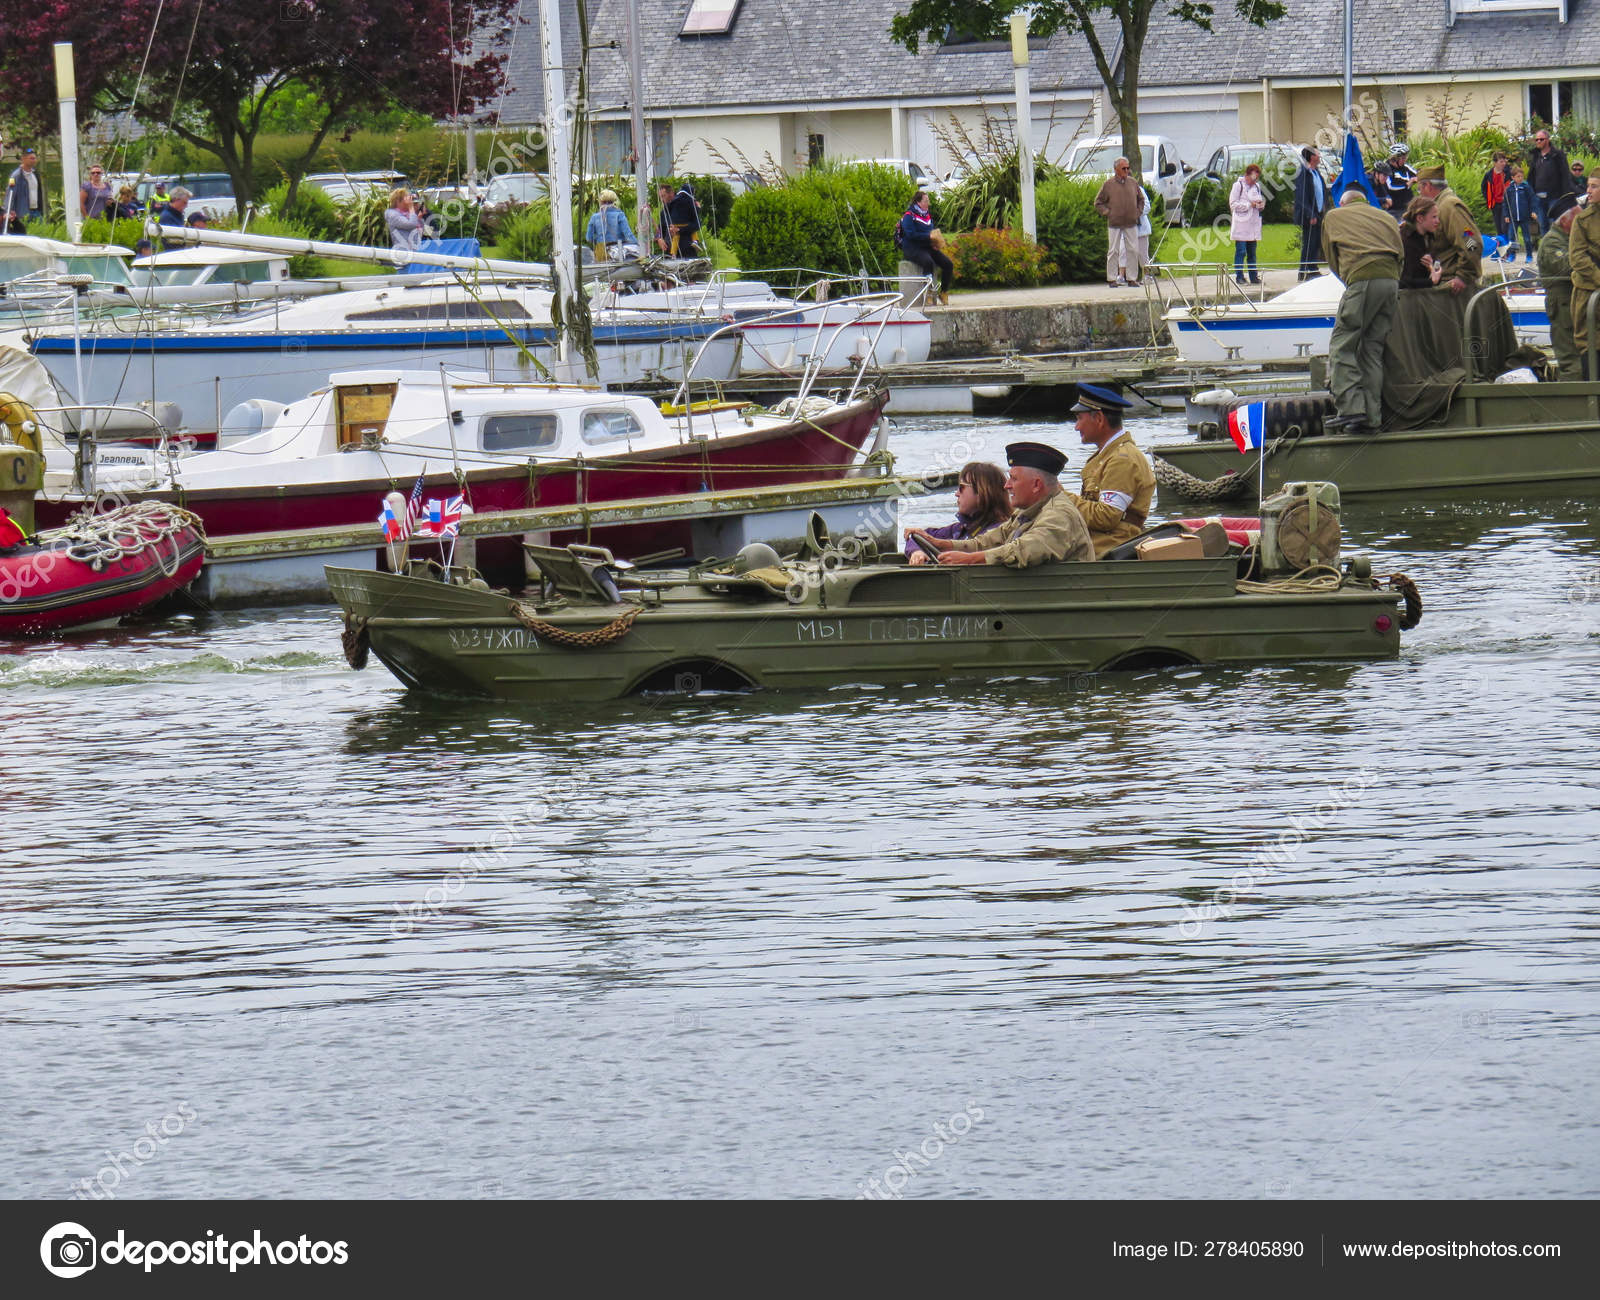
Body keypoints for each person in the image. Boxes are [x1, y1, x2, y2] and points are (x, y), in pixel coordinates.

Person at [909, 442, 1093, 567]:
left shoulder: (1058, 514)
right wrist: (941, 544)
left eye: (1014, 479)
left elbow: (1027, 549)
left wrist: (971, 560)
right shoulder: (1029, 511)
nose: (1007, 486)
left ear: (1036, 485)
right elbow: (989, 541)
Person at [1320, 185, 1404, 434]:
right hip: (1391, 282)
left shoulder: (1334, 216)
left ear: (1343, 203)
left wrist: (1352, 281)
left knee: (1342, 344)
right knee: (1372, 350)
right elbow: (1401, 255)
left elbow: (1332, 259)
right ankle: (1372, 418)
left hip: (1361, 278)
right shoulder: (1387, 217)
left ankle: (1351, 408)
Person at [1063, 382, 1155, 557]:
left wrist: (1061, 497)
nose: (1077, 427)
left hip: (1111, 547)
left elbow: (1106, 517)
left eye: (1079, 418)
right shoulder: (1108, 456)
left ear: (1099, 419)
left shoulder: (1122, 460)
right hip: (1101, 542)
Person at [902, 462, 1010, 564]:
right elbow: (921, 537)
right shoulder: (960, 530)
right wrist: (917, 552)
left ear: (982, 492)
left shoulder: (1001, 533)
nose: (957, 494)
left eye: (962, 488)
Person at [1417, 165, 1481, 294]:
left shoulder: (1450, 207)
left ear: (1427, 186)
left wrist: (1464, 276)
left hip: (1453, 286)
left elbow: (1471, 242)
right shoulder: (1438, 206)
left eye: (1419, 189)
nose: (1419, 194)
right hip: (1442, 282)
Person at [1537, 191, 1581, 380]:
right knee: (1570, 360)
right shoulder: (1552, 242)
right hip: (1562, 305)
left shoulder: (1569, 239)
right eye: (1578, 219)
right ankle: (1572, 395)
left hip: (1574, 303)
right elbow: (1568, 266)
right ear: (1565, 221)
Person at [1093, 157, 1145, 287]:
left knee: (1133, 250)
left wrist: (1137, 212)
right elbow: (1098, 202)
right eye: (1124, 168)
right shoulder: (1108, 184)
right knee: (1113, 251)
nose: (1126, 171)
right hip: (1114, 223)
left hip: (1131, 222)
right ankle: (1112, 278)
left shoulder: (1133, 182)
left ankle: (1132, 278)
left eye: (1128, 168)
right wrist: (1108, 213)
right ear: (1116, 169)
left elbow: (1141, 199)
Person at [1567, 169, 1600, 373]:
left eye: (1594, 186)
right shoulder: (1583, 220)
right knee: (1589, 347)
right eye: (1588, 186)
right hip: (1588, 293)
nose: (1588, 190)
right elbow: (1577, 257)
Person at [896, 190, 953, 304]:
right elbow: (911, 235)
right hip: (912, 248)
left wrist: (935, 243)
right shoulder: (909, 216)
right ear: (918, 202)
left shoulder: (927, 215)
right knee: (928, 262)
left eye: (928, 201)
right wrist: (928, 237)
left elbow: (930, 232)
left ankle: (944, 292)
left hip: (927, 246)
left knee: (948, 264)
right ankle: (929, 293)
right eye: (926, 201)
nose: (928, 203)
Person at [1528, 128, 1575, 231]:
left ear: (1548, 139)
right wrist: (1531, 195)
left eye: (1541, 139)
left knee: (1554, 224)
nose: (1538, 141)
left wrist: (1565, 195)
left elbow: (1565, 175)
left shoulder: (1557, 155)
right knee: (1543, 225)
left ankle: (1555, 242)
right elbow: (1531, 177)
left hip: (1554, 197)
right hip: (1539, 197)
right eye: (1537, 140)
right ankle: (1545, 242)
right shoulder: (1536, 156)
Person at [1293, 146, 1329, 280]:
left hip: (1319, 212)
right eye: (1317, 154)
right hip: (1309, 215)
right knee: (1309, 242)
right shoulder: (1303, 173)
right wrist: (1310, 214)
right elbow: (1301, 196)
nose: (1319, 156)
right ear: (1311, 157)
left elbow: (1322, 191)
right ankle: (1304, 270)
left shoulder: (1316, 172)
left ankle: (1313, 268)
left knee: (1316, 242)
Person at [1228, 163, 1266, 285]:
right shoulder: (1238, 186)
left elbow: (1258, 202)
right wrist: (1249, 205)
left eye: (1256, 179)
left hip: (1253, 225)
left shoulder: (1257, 187)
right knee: (1241, 251)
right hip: (1241, 225)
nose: (1254, 181)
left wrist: (1260, 205)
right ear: (1247, 175)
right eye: (1252, 178)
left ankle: (1253, 276)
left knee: (1252, 253)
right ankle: (1239, 276)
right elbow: (1233, 204)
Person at [1398, 196, 1444, 289]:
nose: (1438, 221)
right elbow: (1404, 280)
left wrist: (1433, 268)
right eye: (1434, 217)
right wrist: (1432, 281)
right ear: (1420, 218)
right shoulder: (1406, 240)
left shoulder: (1429, 237)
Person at [585, 188, 636, 261]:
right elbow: (628, 235)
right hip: (617, 249)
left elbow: (589, 238)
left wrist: (598, 239)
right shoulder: (619, 215)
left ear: (600, 201)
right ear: (614, 200)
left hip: (601, 250)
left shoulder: (594, 217)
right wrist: (637, 245)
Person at [1502, 165, 1538, 263]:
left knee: (1527, 238)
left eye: (1522, 176)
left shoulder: (1526, 188)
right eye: (1518, 176)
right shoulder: (1509, 189)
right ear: (1513, 177)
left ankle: (1529, 255)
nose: (1520, 178)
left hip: (1524, 217)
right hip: (1513, 218)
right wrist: (1506, 215)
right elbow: (1506, 203)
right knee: (1511, 238)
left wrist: (1533, 211)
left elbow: (1533, 200)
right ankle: (1512, 255)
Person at [656, 181, 702, 257]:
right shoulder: (663, 213)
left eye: (663, 196)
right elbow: (660, 229)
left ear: (671, 193)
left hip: (687, 251)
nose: (661, 199)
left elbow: (697, 224)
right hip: (669, 253)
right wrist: (659, 239)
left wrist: (679, 230)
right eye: (660, 197)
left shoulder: (686, 205)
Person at [5, 146, 46, 231]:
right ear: (23, 159)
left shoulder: (35, 174)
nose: (34, 160)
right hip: (23, 213)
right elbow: (10, 195)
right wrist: (9, 211)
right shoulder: (16, 176)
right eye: (31, 158)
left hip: (36, 212)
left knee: (39, 232)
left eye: (35, 158)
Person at [1481, 151, 1511, 248]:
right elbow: (1483, 187)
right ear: (1495, 163)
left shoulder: (1507, 173)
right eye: (1501, 161)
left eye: (1504, 161)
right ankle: (1502, 248)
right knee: (1498, 227)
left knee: (1504, 226)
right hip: (1495, 204)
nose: (1503, 164)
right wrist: (1488, 198)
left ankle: (1508, 247)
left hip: (1506, 204)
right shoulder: (1489, 174)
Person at [384, 187, 427, 252]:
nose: (410, 200)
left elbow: (419, 235)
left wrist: (419, 218)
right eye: (406, 197)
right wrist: (411, 207)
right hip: (402, 251)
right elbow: (411, 224)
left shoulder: (410, 214)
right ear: (398, 201)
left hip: (414, 251)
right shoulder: (392, 214)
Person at [1380, 142, 1416, 216]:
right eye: (1403, 158)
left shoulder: (1405, 167)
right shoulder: (1386, 169)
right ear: (1395, 159)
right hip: (1394, 208)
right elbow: (1391, 186)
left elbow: (1417, 174)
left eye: (1405, 158)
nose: (1405, 160)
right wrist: (1407, 184)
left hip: (1409, 204)